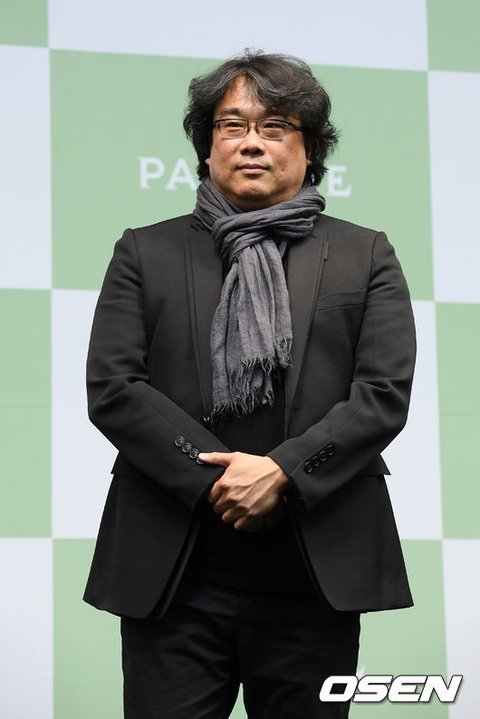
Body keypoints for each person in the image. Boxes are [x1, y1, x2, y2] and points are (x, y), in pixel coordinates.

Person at [84, 49, 416, 719]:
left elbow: (383, 393)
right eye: (232, 125)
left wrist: (283, 471)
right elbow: (115, 386)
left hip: (314, 570)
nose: (252, 142)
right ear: (207, 149)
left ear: (310, 150)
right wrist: (217, 477)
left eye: (276, 126)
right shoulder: (145, 251)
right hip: (174, 572)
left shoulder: (364, 253)